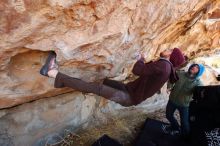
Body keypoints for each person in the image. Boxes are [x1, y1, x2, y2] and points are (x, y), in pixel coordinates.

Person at [40, 48, 185, 106]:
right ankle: (67, 82)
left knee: (95, 87)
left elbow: (138, 70)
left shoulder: (164, 66)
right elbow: (149, 72)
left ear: (170, 56)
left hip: (128, 96)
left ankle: (51, 73)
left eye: (170, 50)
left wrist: (140, 59)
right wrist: (144, 59)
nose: (167, 49)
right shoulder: (166, 68)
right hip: (129, 92)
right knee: (103, 81)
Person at [163, 63, 205, 138]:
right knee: (168, 115)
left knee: (185, 123)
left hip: (184, 105)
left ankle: (186, 137)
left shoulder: (198, 83)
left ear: (199, 72)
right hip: (172, 100)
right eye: (194, 66)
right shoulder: (180, 73)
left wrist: (201, 94)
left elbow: (201, 93)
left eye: (197, 68)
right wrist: (169, 86)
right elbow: (171, 79)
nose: (194, 67)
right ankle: (175, 127)